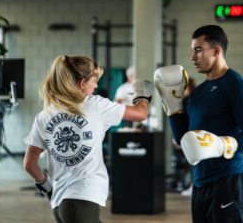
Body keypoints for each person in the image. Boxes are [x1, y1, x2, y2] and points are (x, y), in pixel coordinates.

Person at [23, 56, 152, 223]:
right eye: (94, 81)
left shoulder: (43, 116)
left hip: (60, 203)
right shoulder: (96, 105)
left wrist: (48, 189)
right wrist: (143, 93)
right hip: (82, 198)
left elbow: (29, 164)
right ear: (82, 83)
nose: (96, 86)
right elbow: (141, 113)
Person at [155, 25, 243, 223]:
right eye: (192, 50)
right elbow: (183, 139)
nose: (192, 57)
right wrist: (172, 106)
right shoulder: (199, 91)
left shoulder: (238, 86)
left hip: (229, 179)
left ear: (216, 50)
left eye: (198, 49)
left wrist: (220, 144)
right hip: (200, 182)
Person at [179, 77, 196, 196]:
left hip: (190, 136)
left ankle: (193, 187)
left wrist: (179, 136)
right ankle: (194, 186)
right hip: (195, 135)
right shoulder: (195, 99)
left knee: (193, 163)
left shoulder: (186, 100)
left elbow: (183, 121)